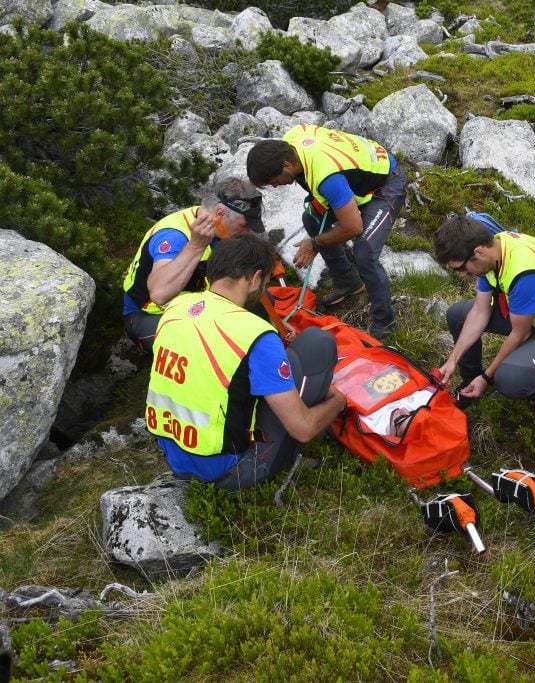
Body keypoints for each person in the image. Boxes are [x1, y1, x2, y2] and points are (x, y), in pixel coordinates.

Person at [145, 234, 347, 490]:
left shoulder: (176, 307)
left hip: (175, 454)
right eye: (265, 282)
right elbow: (303, 429)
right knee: (316, 344)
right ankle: (278, 459)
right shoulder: (254, 333)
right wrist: (338, 402)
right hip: (228, 469)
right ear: (254, 279)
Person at [246, 125, 407, 341]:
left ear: (286, 165)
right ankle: (348, 281)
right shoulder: (292, 139)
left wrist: (314, 244)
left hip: (386, 185)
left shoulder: (326, 177)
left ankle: (384, 325)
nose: (275, 187)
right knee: (310, 218)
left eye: (273, 181)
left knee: (365, 252)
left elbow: (353, 227)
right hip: (357, 177)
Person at [433, 215, 535, 407]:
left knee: (509, 379)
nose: (462, 275)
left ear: (479, 252)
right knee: (457, 315)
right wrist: (453, 359)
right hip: (532, 316)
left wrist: (487, 377)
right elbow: (479, 311)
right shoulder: (495, 249)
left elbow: (520, 333)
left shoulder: (523, 274)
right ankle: (470, 382)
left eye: (461, 268)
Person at [122, 177, 265, 351]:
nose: (247, 231)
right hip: (148, 314)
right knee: (204, 344)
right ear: (220, 214)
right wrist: (196, 246)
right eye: (243, 225)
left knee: (260, 301)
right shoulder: (174, 235)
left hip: (197, 307)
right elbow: (159, 294)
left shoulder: (221, 228)